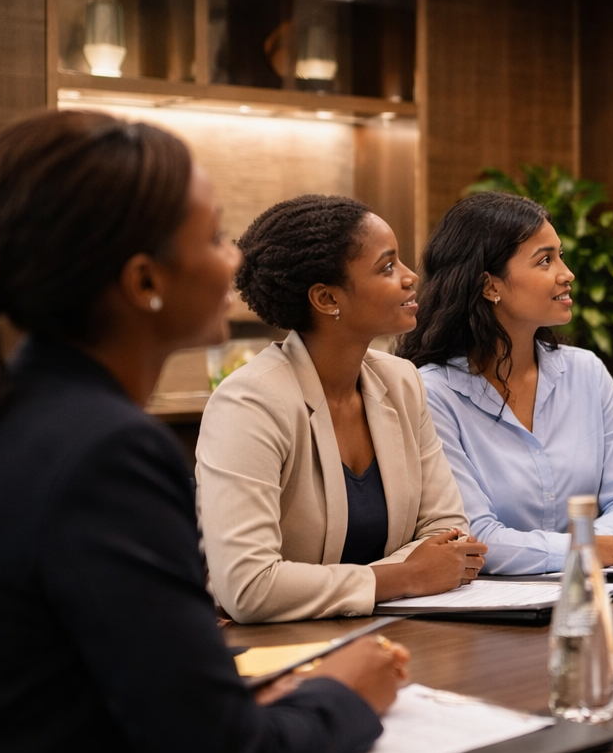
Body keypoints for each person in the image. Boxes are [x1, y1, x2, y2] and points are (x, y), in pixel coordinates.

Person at [0, 110, 405, 753]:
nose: (237, 258)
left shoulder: (21, 416)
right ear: (145, 281)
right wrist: (344, 691)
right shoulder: (107, 453)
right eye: (214, 237)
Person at [197, 195, 487, 622]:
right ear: (326, 298)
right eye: (387, 267)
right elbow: (249, 586)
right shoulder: (250, 402)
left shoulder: (401, 380)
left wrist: (410, 573)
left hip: (391, 631)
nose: (410, 278)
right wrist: (403, 577)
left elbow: (448, 533)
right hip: (275, 651)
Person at [399, 191, 613, 573]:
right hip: (485, 618)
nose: (566, 274)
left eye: (560, 255)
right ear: (490, 286)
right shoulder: (431, 392)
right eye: (545, 260)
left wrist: (607, 549)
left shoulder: (586, 372)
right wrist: (605, 549)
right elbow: (475, 537)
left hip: (600, 593)